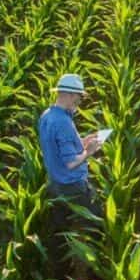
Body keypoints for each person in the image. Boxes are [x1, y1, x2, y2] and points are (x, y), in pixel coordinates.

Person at [38, 73, 104, 230]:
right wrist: (89, 151)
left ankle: (58, 248)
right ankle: (98, 243)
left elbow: (56, 148)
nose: (80, 101)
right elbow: (70, 163)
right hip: (71, 182)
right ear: (69, 94)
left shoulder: (47, 115)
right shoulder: (63, 122)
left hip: (55, 180)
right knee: (97, 217)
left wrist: (82, 142)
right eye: (79, 97)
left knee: (61, 220)